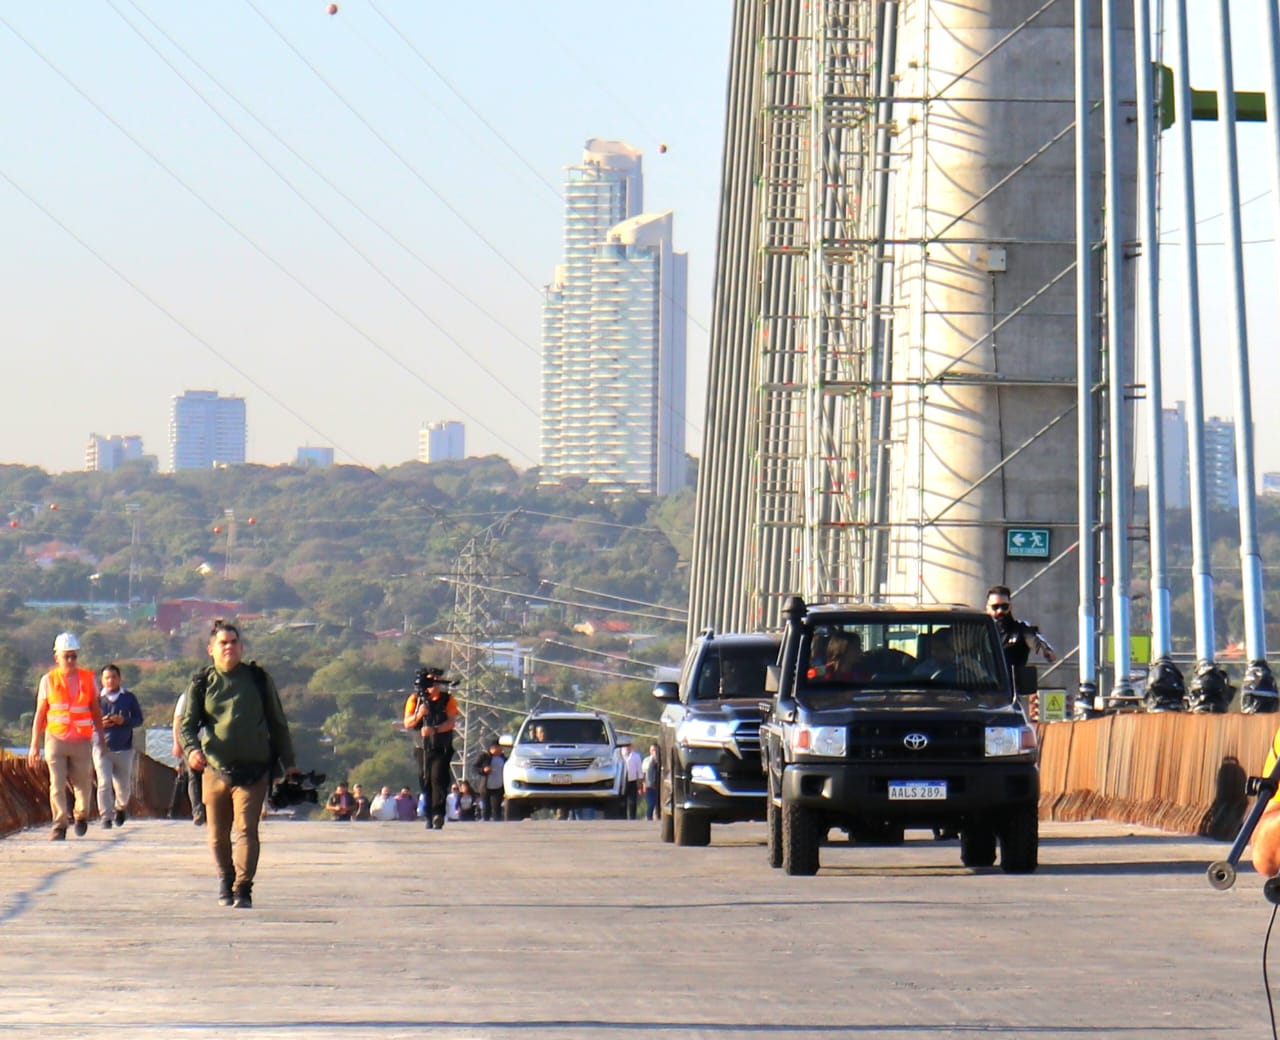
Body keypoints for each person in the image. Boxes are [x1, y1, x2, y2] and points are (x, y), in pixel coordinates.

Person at [179, 619, 299, 910]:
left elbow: (277, 722)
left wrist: (289, 763)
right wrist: (191, 750)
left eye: (234, 642)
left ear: (241, 647)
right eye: (223, 643)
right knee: (217, 834)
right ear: (211, 649)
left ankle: (243, 886)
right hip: (215, 769)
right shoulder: (202, 683)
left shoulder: (257, 679)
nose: (229, 647)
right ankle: (225, 879)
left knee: (246, 829)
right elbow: (187, 726)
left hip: (254, 769)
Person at [28, 632, 105, 840]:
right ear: (57, 658)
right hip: (56, 738)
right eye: (66, 656)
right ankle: (59, 824)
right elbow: (40, 713)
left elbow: (96, 712)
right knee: (57, 782)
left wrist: (102, 739)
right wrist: (34, 744)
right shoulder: (48, 680)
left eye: (74, 656)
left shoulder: (88, 679)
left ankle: (81, 815)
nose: (70, 660)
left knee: (83, 783)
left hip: (81, 738)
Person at [402, 666, 459, 830]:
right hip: (422, 746)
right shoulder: (415, 699)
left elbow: (451, 722)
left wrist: (434, 729)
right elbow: (408, 723)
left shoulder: (447, 699)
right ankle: (428, 813)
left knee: (438, 778)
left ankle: (438, 814)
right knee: (425, 779)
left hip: (441, 746)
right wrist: (419, 714)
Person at [92, 663, 144, 830]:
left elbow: (139, 719)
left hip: (124, 748)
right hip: (102, 748)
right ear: (102, 680)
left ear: (119, 679)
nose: (110, 680)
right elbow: (87, 722)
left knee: (123, 787)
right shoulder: (96, 700)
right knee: (103, 783)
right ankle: (105, 816)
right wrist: (102, 723)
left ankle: (120, 808)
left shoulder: (128, 698)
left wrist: (124, 721)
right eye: (107, 677)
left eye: (114, 677)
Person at [986, 585, 1056, 695]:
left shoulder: (1020, 629)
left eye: (1004, 607)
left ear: (1010, 607)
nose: (1000, 611)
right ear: (987, 608)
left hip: (1009, 695)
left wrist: (1046, 651)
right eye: (995, 607)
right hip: (979, 691)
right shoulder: (979, 631)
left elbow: (1035, 640)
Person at [169, 691, 206, 825]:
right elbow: (177, 721)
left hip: (212, 742)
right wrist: (177, 743)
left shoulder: (216, 694)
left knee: (212, 776)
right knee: (193, 776)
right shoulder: (186, 697)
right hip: (190, 743)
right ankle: (198, 812)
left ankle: (210, 809)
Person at [474, 737, 506, 821]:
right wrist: (483, 770)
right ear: (492, 748)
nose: (501, 750)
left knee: (496, 809)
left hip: (498, 787)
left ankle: (497, 826)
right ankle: (486, 825)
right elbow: (475, 767)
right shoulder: (484, 756)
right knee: (486, 809)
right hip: (486, 788)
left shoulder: (503, 758)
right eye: (498, 748)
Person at [620, 738, 643, 820]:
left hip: (632, 781)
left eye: (628, 745)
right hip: (621, 781)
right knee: (622, 801)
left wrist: (640, 784)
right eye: (625, 746)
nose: (627, 747)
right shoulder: (619, 755)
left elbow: (639, 771)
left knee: (632, 801)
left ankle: (632, 818)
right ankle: (622, 817)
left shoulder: (636, 756)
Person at [642, 743, 660, 822]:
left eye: (655, 750)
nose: (654, 752)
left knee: (658, 804)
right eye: (652, 750)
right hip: (649, 786)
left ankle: (657, 817)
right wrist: (643, 784)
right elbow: (643, 773)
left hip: (658, 786)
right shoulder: (646, 761)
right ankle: (649, 818)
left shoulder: (661, 761)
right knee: (651, 803)